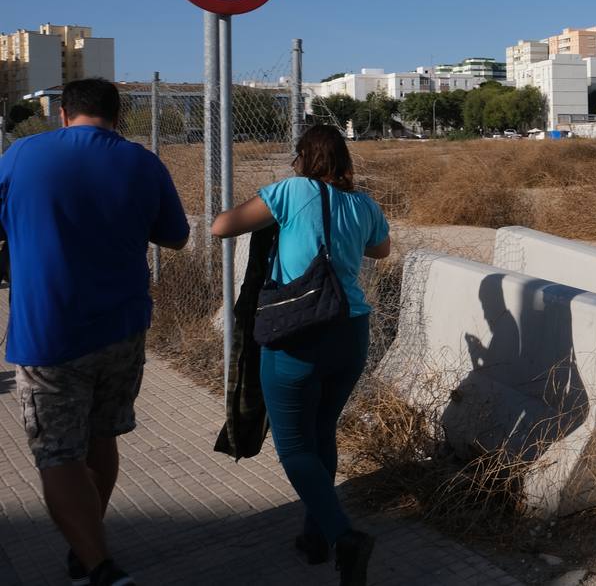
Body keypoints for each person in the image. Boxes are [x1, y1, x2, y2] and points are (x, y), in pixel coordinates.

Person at [0, 78, 190, 586]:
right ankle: (85, 545)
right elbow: (175, 236)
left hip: (50, 333)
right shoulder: (142, 163)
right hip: (123, 329)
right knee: (102, 436)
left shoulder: (22, 155)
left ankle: (100, 566)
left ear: (63, 114)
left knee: (58, 451)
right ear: (118, 116)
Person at [212, 124, 390, 586]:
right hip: (351, 334)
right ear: (344, 159)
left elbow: (220, 227)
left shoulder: (291, 191)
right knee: (321, 431)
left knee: (293, 446)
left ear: (302, 158)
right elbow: (382, 250)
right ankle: (316, 539)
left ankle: (343, 536)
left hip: (298, 332)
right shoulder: (364, 203)